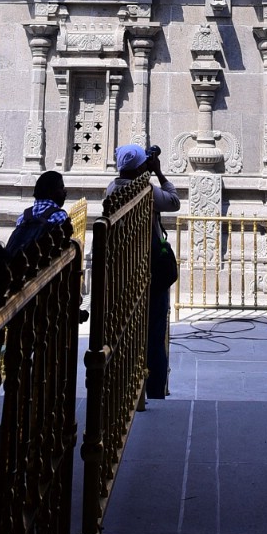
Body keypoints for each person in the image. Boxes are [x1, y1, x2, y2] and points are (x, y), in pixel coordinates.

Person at [107, 143, 179, 399]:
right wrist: (158, 173)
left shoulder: (112, 189)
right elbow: (174, 201)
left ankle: (124, 389)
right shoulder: (144, 191)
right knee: (154, 334)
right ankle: (155, 390)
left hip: (122, 272)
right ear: (140, 167)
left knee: (124, 332)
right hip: (149, 272)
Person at [5, 171, 70, 257]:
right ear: (51, 191)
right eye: (61, 188)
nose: (65, 192)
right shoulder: (59, 216)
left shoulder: (23, 217)